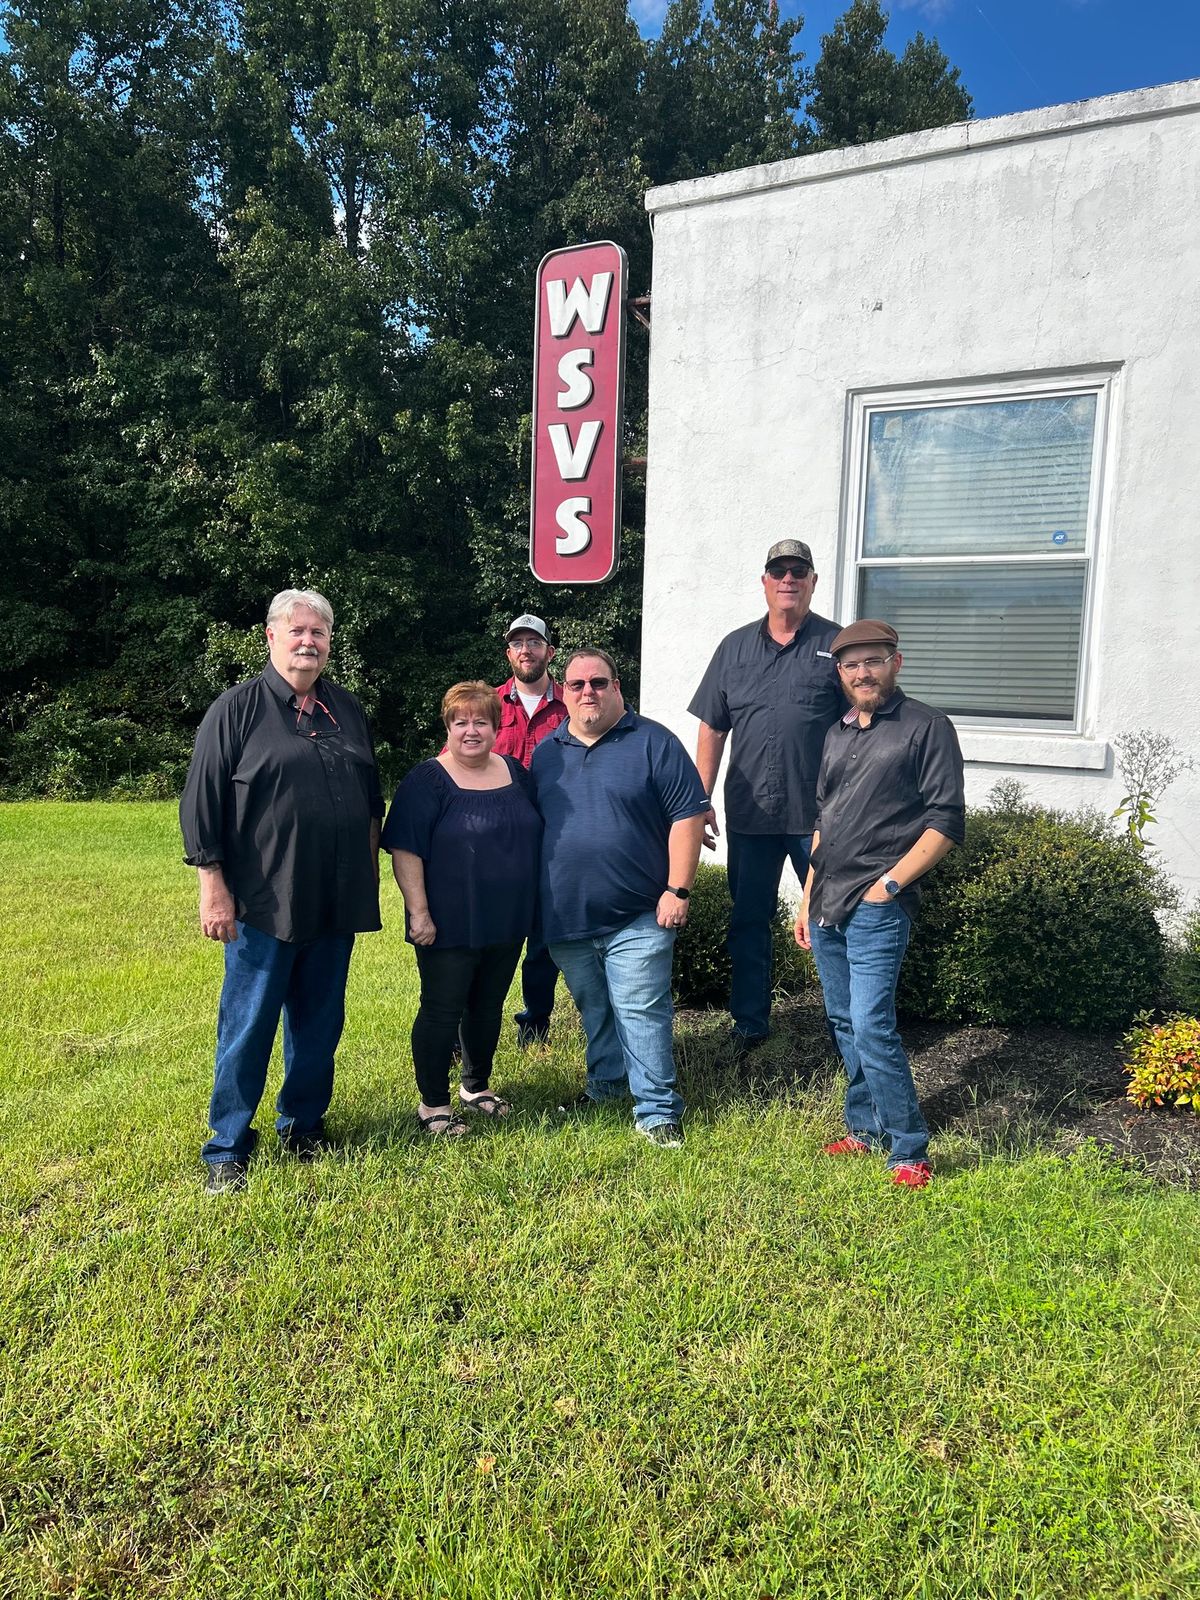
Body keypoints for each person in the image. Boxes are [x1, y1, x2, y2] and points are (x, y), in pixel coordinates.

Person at [180, 588, 383, 1193]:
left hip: (335, 898)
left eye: (318, 634)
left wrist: (367, 871)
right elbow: (201, 802)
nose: (307, 642)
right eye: (296, 632)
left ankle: (304, 1127)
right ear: (271, 638)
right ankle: (227, 1145)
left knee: (320, 1022)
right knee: (248, 1024)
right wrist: (212, 886)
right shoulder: (237, 710)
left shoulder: (346, 710)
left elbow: (372, 800)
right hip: (262, 901)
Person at [794, 620, 965, 1190]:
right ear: (840, 674)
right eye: (851, 665)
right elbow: (826, 819)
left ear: (897, 661)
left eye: (873, 661)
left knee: (871, 1025)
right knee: (844, 1021)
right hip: (827, 901)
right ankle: (864, 1127)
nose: (862, 673)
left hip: (876, 905)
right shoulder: (838, 731)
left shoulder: (926, 728)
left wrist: (889, 885)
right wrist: (806, 897)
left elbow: (944, 822)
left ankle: (908, 1145)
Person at [530, 649, 708, 1148]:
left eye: (599, 682)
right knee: (595, 1008)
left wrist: (678, 888)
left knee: (640, 1009)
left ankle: (656, 1111)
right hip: (566, 915)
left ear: (617, 687)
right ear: (562, 693)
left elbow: (688, 816)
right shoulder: (547, 753)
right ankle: (607, 1086)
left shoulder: (654, 742)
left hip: (640, 912)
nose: (588, 692)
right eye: (576, 684)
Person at [689, 539, 843, 1056]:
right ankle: (749, 1024)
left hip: (819, 817)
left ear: (813, 581)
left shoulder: (837, 646)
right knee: (749, 921)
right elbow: (713, 727)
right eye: (779, 570)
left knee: (828, 922)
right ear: (764, 582)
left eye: (799, 570)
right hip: (751, 815)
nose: (789, 578)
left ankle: (843, 1028)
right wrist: (698, 798)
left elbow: (864, 721)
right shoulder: (733, 649)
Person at [383, 682, 543, 1138]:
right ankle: (433, 1104)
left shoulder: (516, 772)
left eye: (481, 722)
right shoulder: (427, 780)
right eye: (461, 722)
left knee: (488, 1006)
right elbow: (405, 851)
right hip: (448, 920)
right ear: (448, 727)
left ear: (496, 727)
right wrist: (419, 913)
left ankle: (476, 1088)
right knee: (441, 1009)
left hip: (507, 917)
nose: (471, 731)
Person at [491, 614, 569, 1046]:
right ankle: (466, 1030)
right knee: (490, 941)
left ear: (548, 652)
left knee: (542, 944)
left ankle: (535, 1025)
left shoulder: (573, 703)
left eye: (534, 643)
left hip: (553, 841)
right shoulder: (487, 704)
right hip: (497, 845)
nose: (526, 650)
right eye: (517, 643)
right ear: (509, 653)